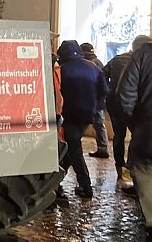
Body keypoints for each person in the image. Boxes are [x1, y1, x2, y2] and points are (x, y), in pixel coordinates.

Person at [57, 40, 108, 198]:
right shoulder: (93, 67)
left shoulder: (62, 70)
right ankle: (55, 182)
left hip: (69, 114)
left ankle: (86, 187)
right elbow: (104, 90)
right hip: (87, 115)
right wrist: (95, 107)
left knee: (74, 150)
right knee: (71, 147)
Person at [105, 35, 152, 192]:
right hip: (138, 116)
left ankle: (122, 170)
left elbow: (124, 92)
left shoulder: (133, 57)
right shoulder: (141, 57)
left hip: (124, 110)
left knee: (120, 136)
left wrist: (134, 121)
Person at [117, 40, 152, 239]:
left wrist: (136, 124)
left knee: (145, 172)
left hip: (148, 131)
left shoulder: (143, 54)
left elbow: (125, 94)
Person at [80, 42, 110, 158]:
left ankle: (73, 148)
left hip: (87, 99)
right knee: (99, 124)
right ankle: (103, 148)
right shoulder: (98, 63)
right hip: (98, 100)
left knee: (81, 124)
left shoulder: (84, 64)